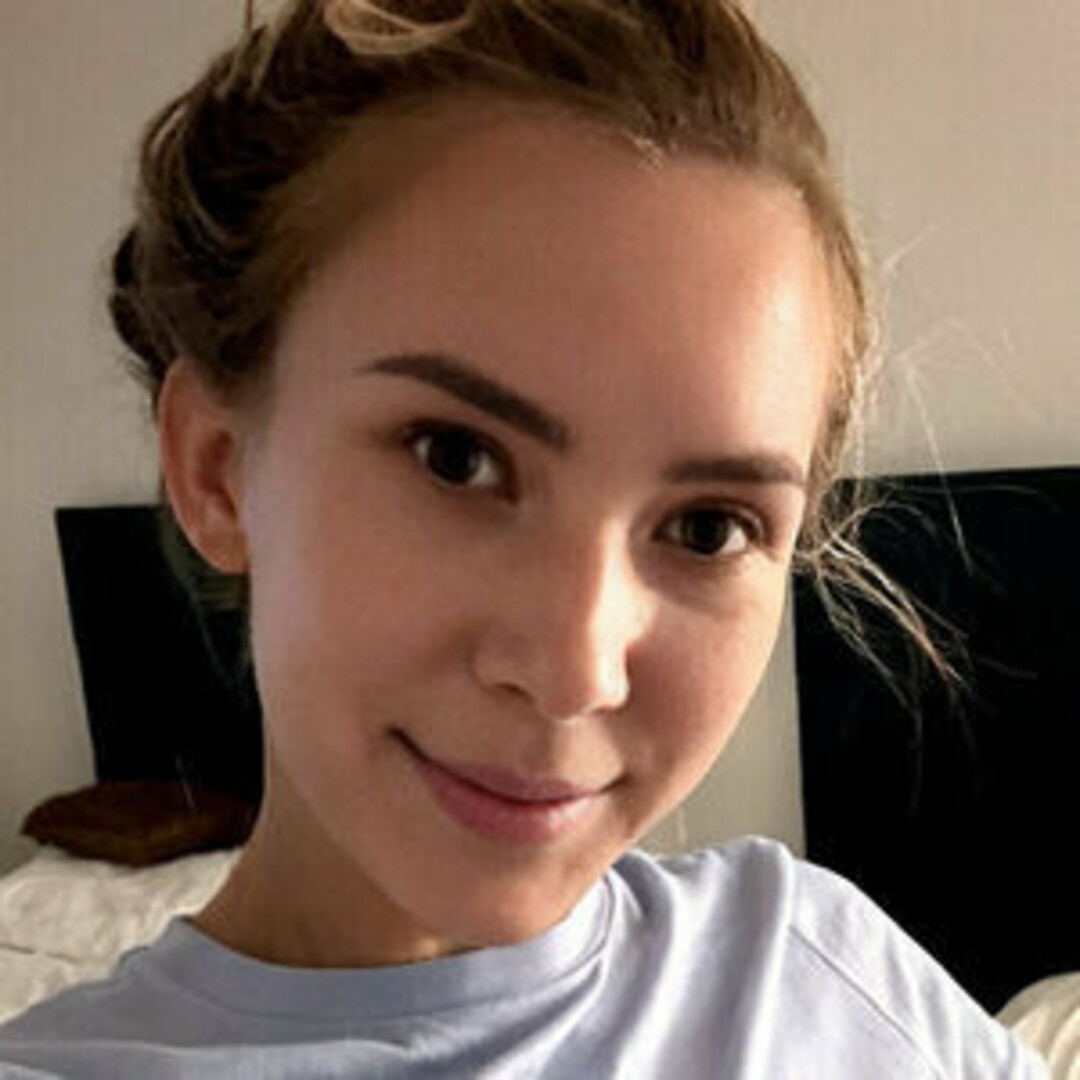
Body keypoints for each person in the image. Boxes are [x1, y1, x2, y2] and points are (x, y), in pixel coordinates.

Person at [0, 1, 1047, 1076]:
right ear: (217, 470)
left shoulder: (818, 971)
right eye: (457, 458)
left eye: (706, 527)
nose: (574, 672)